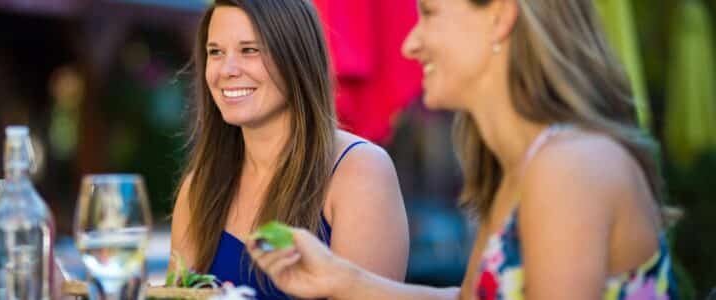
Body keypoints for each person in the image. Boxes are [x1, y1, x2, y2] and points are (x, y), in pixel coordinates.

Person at [248, 0, 677, 299]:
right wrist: (340, 279)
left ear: (500, 16)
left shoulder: (568, 167)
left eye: (430, 13)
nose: (410, 44)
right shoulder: (521, 168)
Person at [168, 0, 410, 299]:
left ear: (296, 57)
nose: (226, 70)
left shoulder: (359, 171)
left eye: (249, 50)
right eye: (215, 52)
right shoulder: (197, 189)